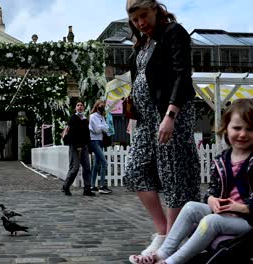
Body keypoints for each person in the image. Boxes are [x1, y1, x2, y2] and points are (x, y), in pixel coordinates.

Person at [129, 98, 253, 264]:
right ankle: (161, 254)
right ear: (226, 128)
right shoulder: (221, 160)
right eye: (237, 128)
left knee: (211, 221)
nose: (243, 134)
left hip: (247, 221)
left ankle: (172, 262)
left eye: (250, 129)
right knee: (190, 207)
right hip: (225, 214)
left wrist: (244, 208)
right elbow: (212, 190)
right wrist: (211, 199)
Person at [123, 0, 201, 255]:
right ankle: (165, 232)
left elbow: (182, 74)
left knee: (173, 173)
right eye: (135, 20)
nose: (140, 23)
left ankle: (170, 240)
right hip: (146, 119)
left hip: (170, 113)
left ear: (155, 9)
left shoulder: (173, 32)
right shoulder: (142, 44)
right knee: (135, 170)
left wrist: (171, 114)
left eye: (143, 16)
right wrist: (133, 116)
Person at [62, 100, 95, 196]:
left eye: (81, 105)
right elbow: (72, 134)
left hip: (84, 146)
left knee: (87, 168)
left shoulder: (85, 119)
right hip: (74, 146)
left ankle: (87, 189)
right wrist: (77, 146)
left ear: (84, 108)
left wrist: (89, 148)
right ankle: (66, 186)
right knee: (75, 167)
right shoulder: (73, 118)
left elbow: (87, 135)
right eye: (78, 105)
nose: (80, 107)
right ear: (75, 108)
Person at [89, 99, 112, 194]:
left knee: (96, 165)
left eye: (103, 106)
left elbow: (107, 129)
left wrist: (102, 126)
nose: (102, 107)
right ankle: (102, 186)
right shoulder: (92, 116)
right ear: (97, 106)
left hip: (101, 141)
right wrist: (102, 127)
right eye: (100, 105)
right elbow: (97, 130)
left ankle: (92, 186)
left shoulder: (102, 117)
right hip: (94, 141)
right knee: (104, 162)